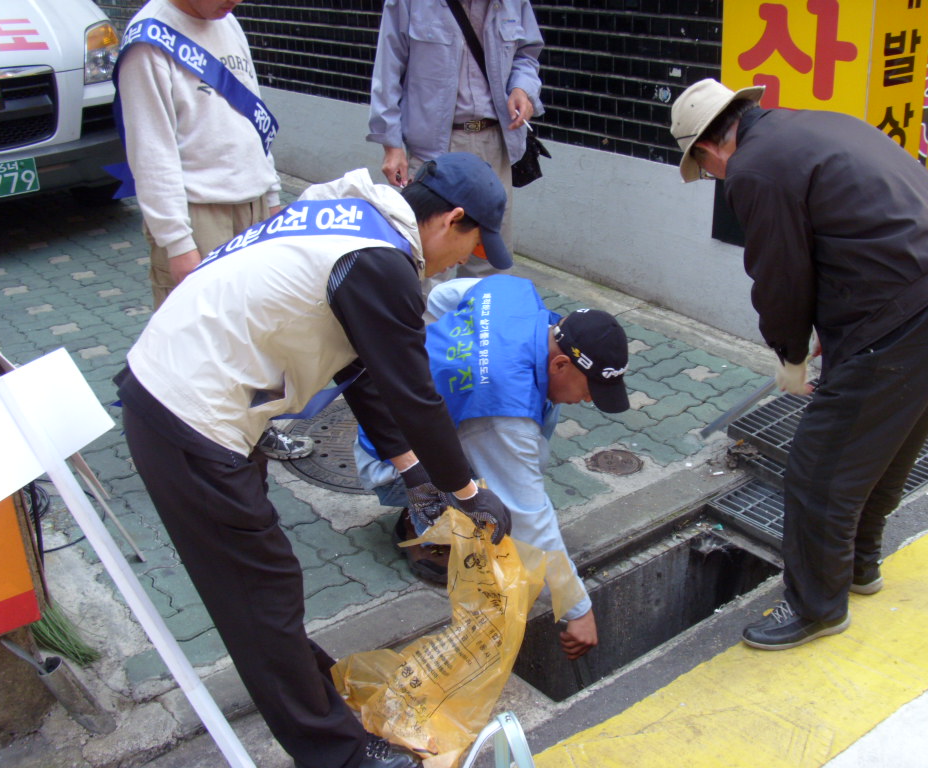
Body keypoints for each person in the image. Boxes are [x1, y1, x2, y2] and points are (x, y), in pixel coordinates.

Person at [115, 152, 517, 768]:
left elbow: (364, 374)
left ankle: (324, 704)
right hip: (188, 414)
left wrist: (415, 478)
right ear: (450, 219)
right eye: (473, 245)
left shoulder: (357, 221)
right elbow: (414, 395)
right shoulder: (380, 262)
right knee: (260, 593)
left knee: (262, 586)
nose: (465, 259)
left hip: (191, 394)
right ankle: (341, 757)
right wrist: (467, 491)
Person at [669, 78, 928, 651]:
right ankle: (859, 566)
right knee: (884, 445)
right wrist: (834, 327)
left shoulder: (753, 169)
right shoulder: (817, 125)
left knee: (819, 467)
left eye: (706, 170)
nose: (716, 179)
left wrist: (789, 354)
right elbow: (853, 235)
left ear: (707, 148)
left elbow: (781, 274)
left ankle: (815, 606)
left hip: (911, 309)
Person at [355, 275, 631, 660]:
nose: (588, 400)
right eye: (590, 389)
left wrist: (432, 353)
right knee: (504, 475)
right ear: (561, 362)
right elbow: (529, 519)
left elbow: (443, 294)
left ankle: (480, 480)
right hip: (390, 457)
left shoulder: (515, 293)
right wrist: (578, 610)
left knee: (535, 417)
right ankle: (424, 524)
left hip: (417, 413)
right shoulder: (503, 413)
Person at [114, 0, 310, 460]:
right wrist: (177, 243)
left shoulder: (227, 20)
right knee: (196, 338)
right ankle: (188, 444)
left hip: (253, 203)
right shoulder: (149, 41)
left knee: (261, 329)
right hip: (199, 210)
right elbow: (151, 152)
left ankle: (255, 427)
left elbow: (253, 119)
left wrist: (273, 195)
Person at [367, 0, 544, 281]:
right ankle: (421, 313)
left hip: (494, 143)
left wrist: (523, 88)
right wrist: (392, 144)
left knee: (489, 260)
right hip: (434, 149)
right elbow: (388, 70)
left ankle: (485, 311)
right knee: (427, 261)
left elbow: (527, 54)